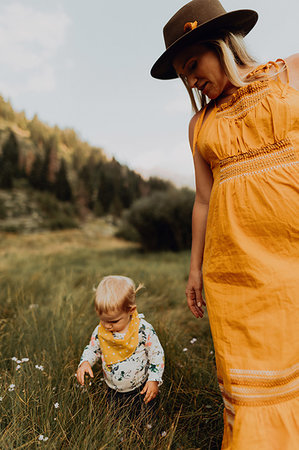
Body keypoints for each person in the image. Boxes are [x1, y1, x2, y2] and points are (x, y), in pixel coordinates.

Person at [151, 0, 299, 448]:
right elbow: (202, 199)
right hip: (235, 269)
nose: (191, 80)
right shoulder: (199, 125)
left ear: (222, 44)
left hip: (293, 250)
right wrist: (195, 270)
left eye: (193, 64)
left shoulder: (289, 74)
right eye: (183, 75)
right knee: (256, 377)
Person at [76, 275, 164, 418]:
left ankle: (149, 434)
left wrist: (153, 380)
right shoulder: (101, 331)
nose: (107, 325)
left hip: (142, 388)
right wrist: (85, 362)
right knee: (119, 420)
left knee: (147, 418)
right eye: (102, 320)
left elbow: (156, 355)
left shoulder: (142, 330)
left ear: (131, 310)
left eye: (114, 321)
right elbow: (93, 348)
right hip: (113, 390)